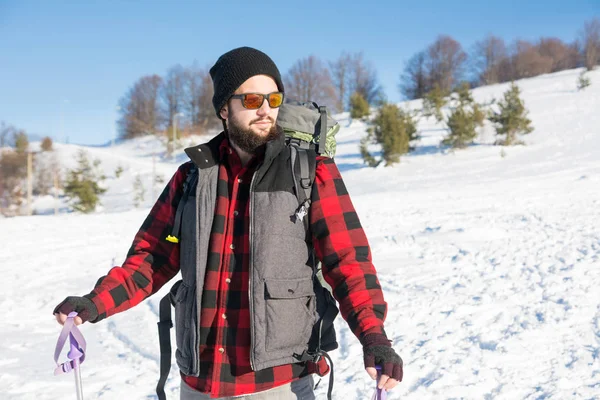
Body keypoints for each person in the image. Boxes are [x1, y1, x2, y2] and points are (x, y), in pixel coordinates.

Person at [54, 46, 403, 400]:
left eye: (274, 98)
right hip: (198, 385)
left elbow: (348, 262)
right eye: (252, 99)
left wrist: (374, 337)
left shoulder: (310, 173)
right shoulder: (191, 178)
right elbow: (152, 258)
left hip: (277, 384)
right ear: (224, 108)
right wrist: (95, 301)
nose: (266, 109)